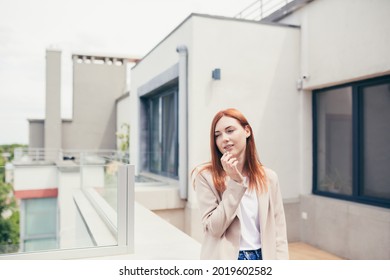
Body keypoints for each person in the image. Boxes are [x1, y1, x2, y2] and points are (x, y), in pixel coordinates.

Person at [192, 108, 289, 260]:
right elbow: (214, 229)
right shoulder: (205, 176)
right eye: (217, 135)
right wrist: (235, 183)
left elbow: (279, 232)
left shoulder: (269, 177)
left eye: (230, 131)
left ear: (247, 131)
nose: (224, 138)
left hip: (264, 257)